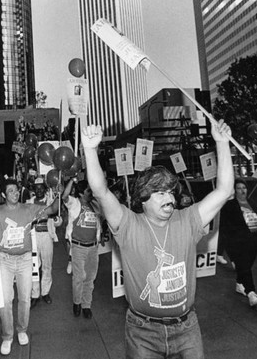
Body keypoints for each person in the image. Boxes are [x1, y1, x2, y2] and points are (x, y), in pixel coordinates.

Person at [81, 121, 234, 359]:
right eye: (160, 192)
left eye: (172, 191)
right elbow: (101, 191)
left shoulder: (188, 220)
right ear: (143, 199)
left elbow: (224, 190)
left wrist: (222, 143)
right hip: (143, 332)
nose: (169, 197)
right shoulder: (129, 224)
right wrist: (90, 150)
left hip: (187, 329)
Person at [0, 178, 59, 356]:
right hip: (4, 260)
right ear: (4, 195)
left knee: (24, 299)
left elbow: (52, 209)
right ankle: (7, 336)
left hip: (24, 260)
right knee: (5, 301)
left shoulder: (29, 209)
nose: (15, 193)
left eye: (16, 190)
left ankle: (21, 330)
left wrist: (60, 193)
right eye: (11, 191)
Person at [219, 178, 257, 307]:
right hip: (238, 243)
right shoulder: (229, 206)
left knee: (245, 267)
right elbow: (225, 227)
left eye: (244, 188)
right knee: (244, 266)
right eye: (239, 188)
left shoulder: (252, 203)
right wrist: (230, 246)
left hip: (253, 241)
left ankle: (240, 284)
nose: (242, 190)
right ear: (235, 191)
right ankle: (251, 293)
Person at [62, 178, 101, 319]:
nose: (90, 193)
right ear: (80, 193)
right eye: (88, 190)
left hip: (93, 248)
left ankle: (86, 305)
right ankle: (76, 303)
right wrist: (72, 180)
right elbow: (64, 196)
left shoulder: (95, 205)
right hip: (78, 247)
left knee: (90, 278)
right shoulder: (74, 203)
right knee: (78, 278)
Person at [27, 177, 55, 307]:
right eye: (36, 188)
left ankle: (45, 292)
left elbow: (58, 220)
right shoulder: (28, 203)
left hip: (46, 236)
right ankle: (34, 294)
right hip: (33, 237)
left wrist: (57, 220)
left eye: (41, 188)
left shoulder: (51, 202)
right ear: (34, 190)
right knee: (34, 266)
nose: (39, 190)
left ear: (45, 189)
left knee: (47, 265)